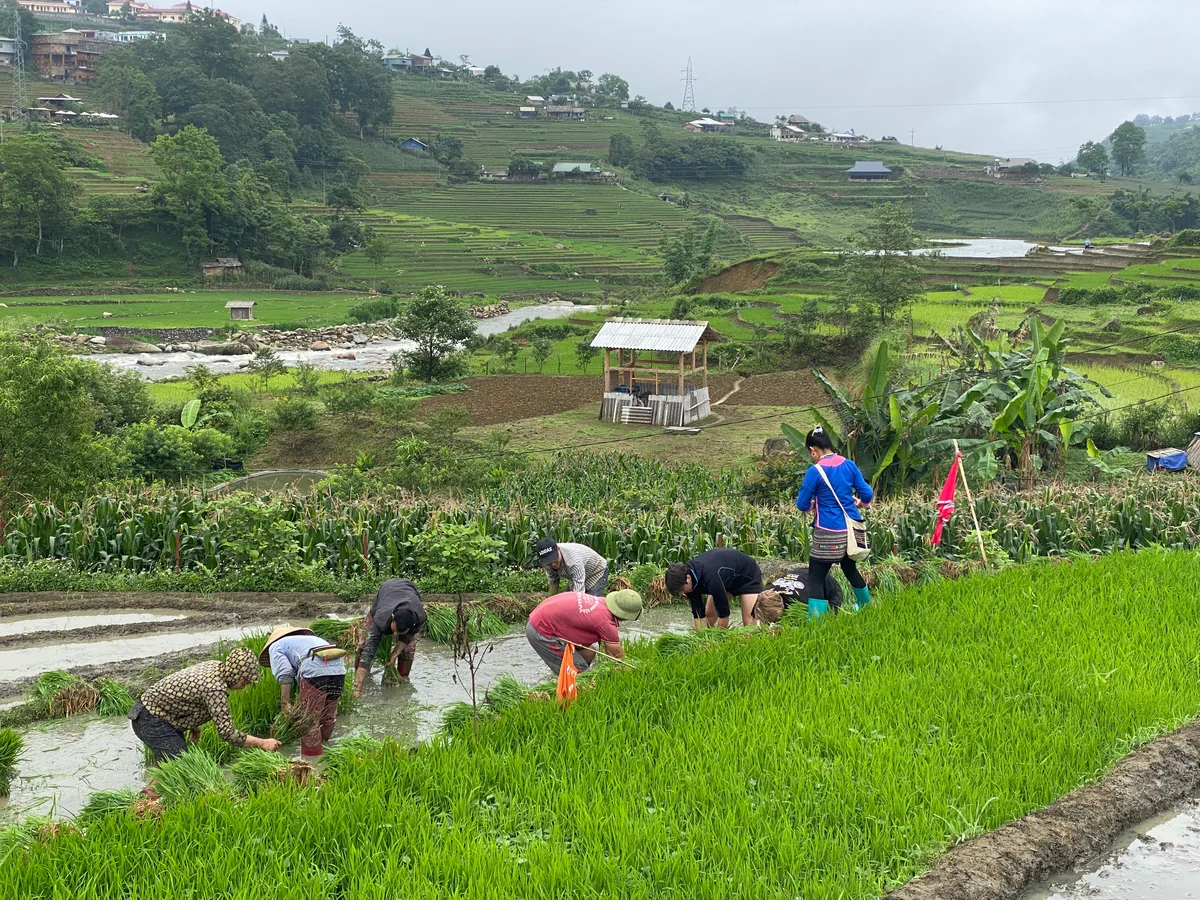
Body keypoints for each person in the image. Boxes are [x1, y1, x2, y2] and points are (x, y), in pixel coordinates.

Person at [129, 647, 282, 760]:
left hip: (150, 712)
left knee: (169, 764)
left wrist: (193, 724)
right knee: (181, 766)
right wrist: (262, 743)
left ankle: (152, 798)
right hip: (150, 719)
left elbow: (187, 694)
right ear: (236, 675)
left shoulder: (215, 666)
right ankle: (146, 800)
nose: (244, 686)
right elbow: (228, 734)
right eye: (245, 681)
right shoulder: (215, 690)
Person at [794, 426, 874, 615]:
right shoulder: (849, 465)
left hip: (827, 533)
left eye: (810, 452)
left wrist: (813, 505)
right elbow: (867, 493)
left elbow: (802, 504)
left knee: (816, 576)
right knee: (849, 568)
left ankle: (817, 620)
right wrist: (861, 503)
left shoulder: (815, 471)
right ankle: (866, 606)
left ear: (813, 450)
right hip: (850, 533)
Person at [260, 626, 347, 758]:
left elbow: (285, 674)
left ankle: (310, 761)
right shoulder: (312, 639)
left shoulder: (276, 646)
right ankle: (327, 753)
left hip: (315, 671)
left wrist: (285, 704)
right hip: (339, 670)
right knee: (328, 715)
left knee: (309, 721)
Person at [526, 589, 643, 673]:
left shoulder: (602, 603)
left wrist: (611, 666)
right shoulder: (605, 623)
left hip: (543, 614)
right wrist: (631, 669)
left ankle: (562, 672)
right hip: (541, 630)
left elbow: (609, 649)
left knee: (590, 653)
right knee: (578, 671)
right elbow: (617, 654)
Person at [353, 578, 427, 699]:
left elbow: (409, 635)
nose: (395, 635)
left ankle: (403, 679)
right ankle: (358, 675)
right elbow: (369, 651)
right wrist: (358, 687)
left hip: (409, 591)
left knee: (408, 650)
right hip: (388, 591)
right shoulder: (381, 618)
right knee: (364, 644)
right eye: (394, 630)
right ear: (392, 618)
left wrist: (395, 654)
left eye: (400, 632)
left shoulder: (419, 617)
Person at [665, 548, 764, 629]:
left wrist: (717, 641)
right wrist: (701, 641)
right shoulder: (687, 582)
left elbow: (724, 616)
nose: (683, 593)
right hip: (726, 578)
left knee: (749, 622)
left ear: (688, 578)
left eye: (682, 590)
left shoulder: (711, 579)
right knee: (709, 617)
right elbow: (698, 615)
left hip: (747, 575)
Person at [535, 537, 609, 595]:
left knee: (589, 604)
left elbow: (579, 594)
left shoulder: (574, 561)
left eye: (554, 559)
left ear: (558, 549)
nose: (553, 564)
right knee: (566, 600)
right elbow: (553, 580)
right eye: (549, 562)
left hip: (596, 572)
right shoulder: (546, 562)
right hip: (579, 574)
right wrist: (550, 600)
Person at [764, 567, 845, 615]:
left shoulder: (801, 601)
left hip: (829, 585)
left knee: (829, 616)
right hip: (801, 573)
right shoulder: (765, 593)